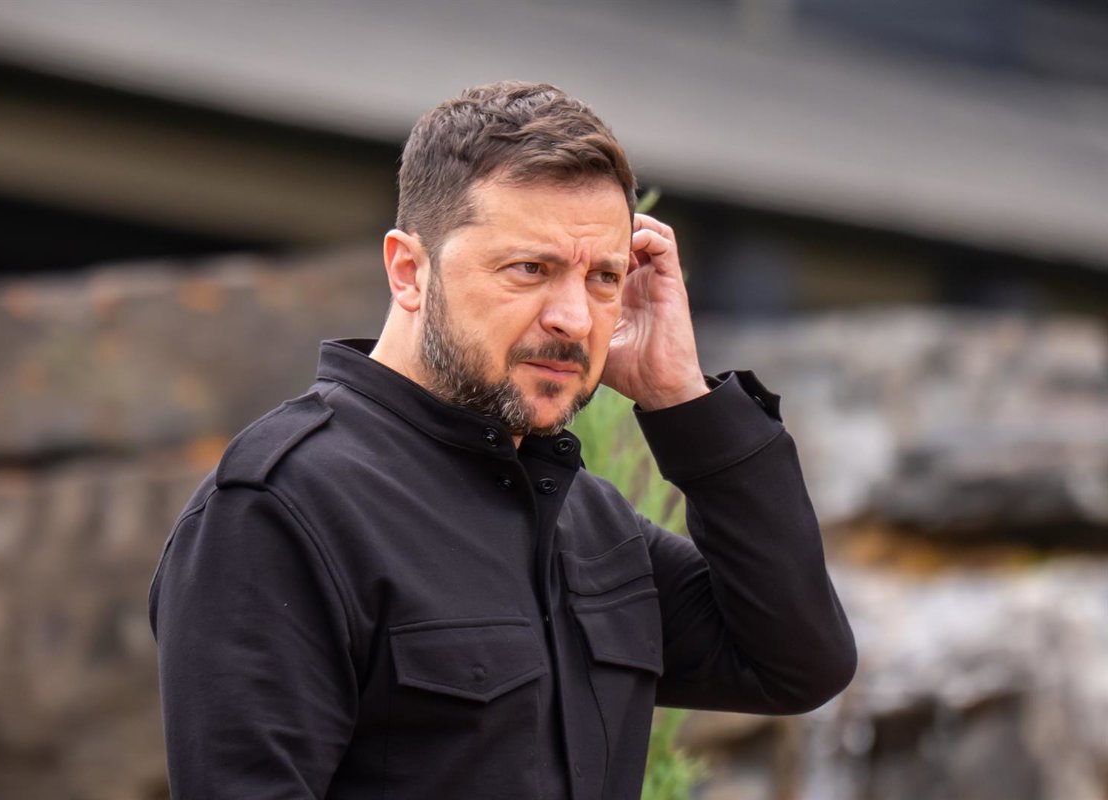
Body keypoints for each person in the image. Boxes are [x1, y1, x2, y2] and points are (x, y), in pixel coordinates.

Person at [148, 80, 856, 800]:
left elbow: (797, 664)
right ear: (408, 271)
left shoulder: (590, 520)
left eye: (604, 277)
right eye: (531, 269)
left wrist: (681, 398)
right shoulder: (278, 507)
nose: (575, 318)